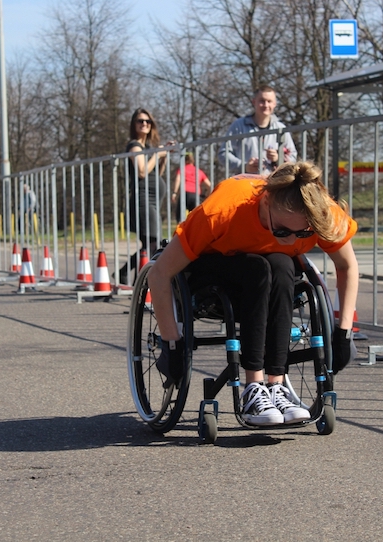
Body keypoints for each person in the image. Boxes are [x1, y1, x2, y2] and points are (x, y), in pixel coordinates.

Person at [147, 161, 359, 426]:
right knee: (258, 268)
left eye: (303, 233)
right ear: (266, 202)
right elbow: (159, 274)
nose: (292, 240)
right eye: (282, 231)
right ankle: (253, 387)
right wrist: (172, 343)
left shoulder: (321, 211)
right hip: (217, 268)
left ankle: (276, 385)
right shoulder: (222, 211)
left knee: (282, 263)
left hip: (274, 274)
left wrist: (343, 333)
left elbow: (347, 266)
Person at [119, 108, 173, 285]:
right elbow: (142, 172)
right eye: (140, 121)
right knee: (153, 244)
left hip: (153, 202)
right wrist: (157, 154)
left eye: (147, 121)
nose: (144, 124)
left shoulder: (148, 148)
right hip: (143, 201)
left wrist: (164, 155)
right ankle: (138, 282)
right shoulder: (135, 146)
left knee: (150, 244)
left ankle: (125, 274)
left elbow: (156, 174)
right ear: (134, 125)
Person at [218, 85, 297, 176]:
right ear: (254, 102)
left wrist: (278, 159)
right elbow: (223, 154)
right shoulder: (238, 126)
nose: (266, 105)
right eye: (262, 101)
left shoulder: (281, 128)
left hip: (272, 182)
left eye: (269, 101)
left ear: (274, 104)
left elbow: (293, 157)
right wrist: (244, 166)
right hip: (245, 181)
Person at [171, 152, 212, 218]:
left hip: (185, 194)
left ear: (184, 160)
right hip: (196, 195)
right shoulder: (199, 171)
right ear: (193, 161)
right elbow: (209, 185)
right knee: (195, 218)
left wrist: (174, 193)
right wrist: (208, 195)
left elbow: (178, 179)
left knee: (180, 217)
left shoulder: (182, 169)